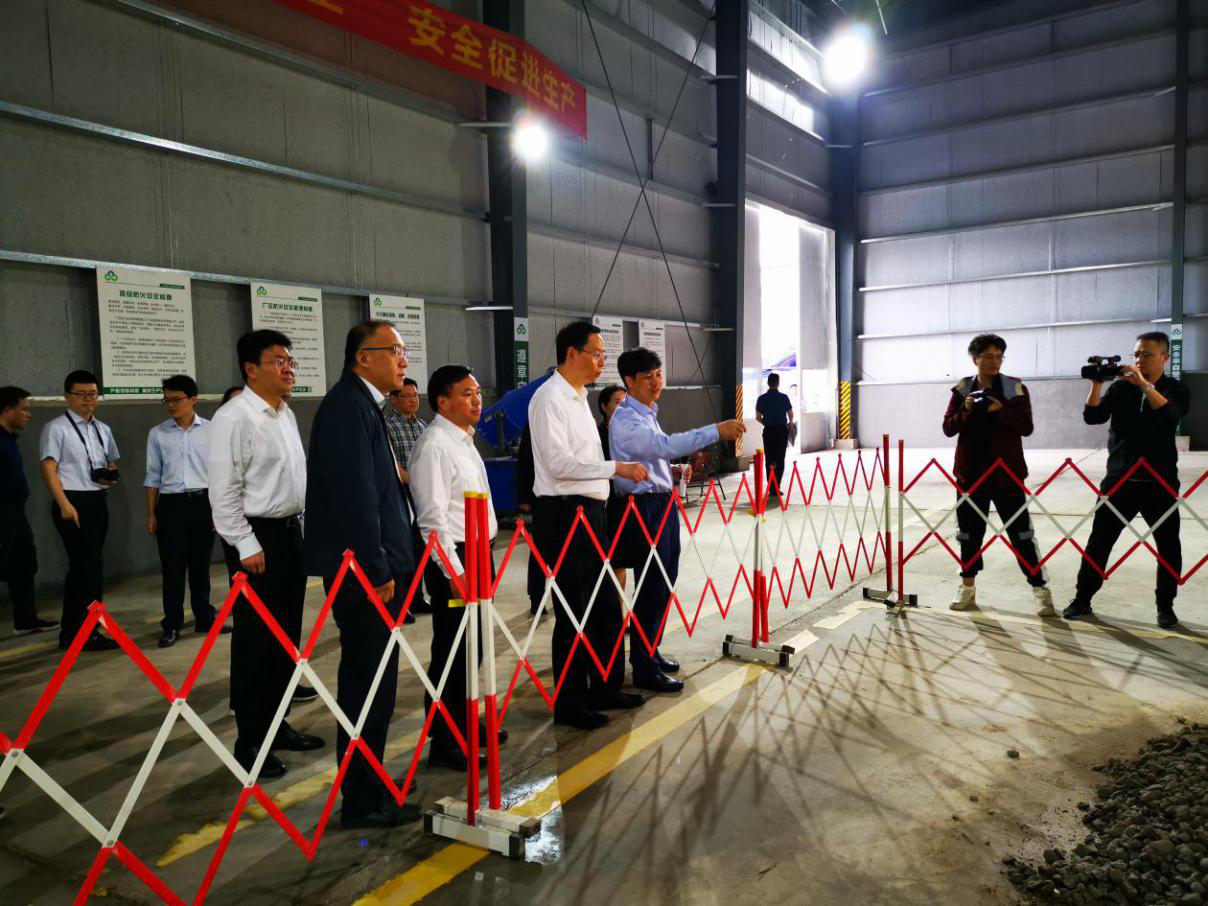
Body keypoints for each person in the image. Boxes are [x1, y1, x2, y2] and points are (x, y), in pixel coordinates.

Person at [304, 321, 420, 828]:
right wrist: (375, 567)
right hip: (364, 574)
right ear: (363, 357)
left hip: (376, 567)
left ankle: (371, 783)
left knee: (378, 685)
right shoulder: (346, 409)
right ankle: (362, 800)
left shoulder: (366, 405)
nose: (403, 360)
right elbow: (355, 497)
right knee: (367, 686)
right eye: (394, 350)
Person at [209, 330, 321, 780]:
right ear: (251, 369)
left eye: (290, 360)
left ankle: (278, 725)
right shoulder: (234, 418)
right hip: (257, 540)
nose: (288, 368)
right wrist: (245, 543)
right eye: (278, 360)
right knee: (255, 642)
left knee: (285, 637)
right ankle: (251, 740)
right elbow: (223, 492)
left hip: (291, 534)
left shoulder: (284, 414)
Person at [528, 320, 649, 730]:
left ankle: (605, 686)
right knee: (575, 610)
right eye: (596, 354)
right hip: (566, 513)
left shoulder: (579, 397)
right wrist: (616, 468)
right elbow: (559, 464)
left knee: (604, 606)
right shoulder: (550, 399)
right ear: (571, 353)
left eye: (603, 355)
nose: (601, 361)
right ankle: (571, 702)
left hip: (593, 512)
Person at [609, 348, 745, 693]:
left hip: (661, 503)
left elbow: (654, 455)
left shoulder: (647, 413)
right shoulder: (626, 419)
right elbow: (665, 445)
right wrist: (716, 430)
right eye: (648, 377)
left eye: (659, 375)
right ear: (629, 381)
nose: (657, 382)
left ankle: (650, 652)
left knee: (665, 580)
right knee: (652, 583)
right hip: (643, 509)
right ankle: (643, 666)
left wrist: (668, 471)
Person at [410, 364, 509, 770]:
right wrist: (455, 572)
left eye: (478, 392)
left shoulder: (463, 439)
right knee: (452, 650)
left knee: (475, 644)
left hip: (479, 553)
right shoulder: (435, 445)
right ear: (442, 402)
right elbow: (432, 520)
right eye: (466, 394)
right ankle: (445, 739)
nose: (477, 400)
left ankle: (464, 721)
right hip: (456, 558)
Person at [1064, 332, 1192, 629]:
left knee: (1168, 547)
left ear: (1164, 357)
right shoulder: (1121, 388)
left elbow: (1170, 415)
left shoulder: (1176, 389)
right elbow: (1093, 417)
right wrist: (1097, 384)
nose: (1139, 359)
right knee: (1099, 542)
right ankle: (1082, 599)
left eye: (1147, 354)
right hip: (1119, 480)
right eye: (1136, 354)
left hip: (1159, 482)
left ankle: (1165, 606)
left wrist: (1144, 385)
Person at [941, 334, 1054, 616]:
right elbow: (948, 428)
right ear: (975, 359)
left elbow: (1026, 426)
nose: (994, 362)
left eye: (999, 356)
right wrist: (966, 410)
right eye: (988, 356)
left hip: (1007, 475)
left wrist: (1000, 410)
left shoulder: (1015, 388)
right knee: (968, 535)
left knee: (1022, 535)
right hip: (970, 476)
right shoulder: (962, 389)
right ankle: (967, 587)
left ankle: (1040, 589)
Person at [40, 370, 120, 651]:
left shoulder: (102, 429)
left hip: (97, 500)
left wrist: (111, 475)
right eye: (82, 394)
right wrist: (64, 504)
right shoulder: (56, 428)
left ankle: (78, 631)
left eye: (93, 394)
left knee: (89, 568)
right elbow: (48, 468)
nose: (88, 399)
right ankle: (82, 632)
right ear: (67, 396)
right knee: (86, 569)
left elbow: (111, 463)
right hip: (73, 502)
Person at [145, 375, 226, 648]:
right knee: (173, 568)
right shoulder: (157, 434)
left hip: (203, 503)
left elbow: (219, 473)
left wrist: (218, 509)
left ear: (193, 399)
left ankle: (205, 617)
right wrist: (151, 513)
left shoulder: (212, 430)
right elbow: (152, 476)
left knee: (201, 565)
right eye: (166, 400)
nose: (170, 405)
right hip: (170, 505)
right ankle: (172, 623)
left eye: (176, 399)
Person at [1, 387, 57, 634]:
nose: (28, 414)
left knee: (23, 564)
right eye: (23, 409)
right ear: (7, 410)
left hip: (15, 512)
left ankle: (25, 619)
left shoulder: (9, 438)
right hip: (2, 512)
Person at [383, 377, 431, 618]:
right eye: (407, 396)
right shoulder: (387, 426)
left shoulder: (423, 425)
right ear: (393, 399)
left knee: (421, 549)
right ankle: (401, 605)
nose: (413, 400)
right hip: (401, 495)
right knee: (404, 549)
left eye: (415, 396)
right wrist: (415, 480)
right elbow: (391, 465)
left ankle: (417, 598)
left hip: (423, 495)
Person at [597, 385, 628, 593]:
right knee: (609, 559)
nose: (622, 407)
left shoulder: (632, 432)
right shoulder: (596, 434)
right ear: (604, 406)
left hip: (628, 503)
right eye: (617, 403)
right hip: (605, 504)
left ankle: (620, 606)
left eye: (625, 403)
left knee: (622, 559)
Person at [755, 373, 794, 490]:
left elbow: (758, 417)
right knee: (780, 458)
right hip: (781, 431)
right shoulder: (784, 397)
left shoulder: (761, 399)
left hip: (768, 431)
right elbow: (790, 414)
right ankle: (777, 486)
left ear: (768, 383)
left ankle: (771, 486)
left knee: (770, 459)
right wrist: (790, 423)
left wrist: (766, 423)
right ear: (778, 383)